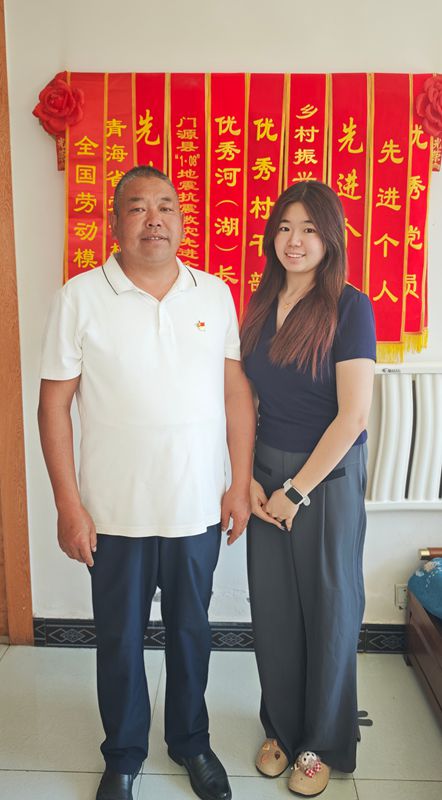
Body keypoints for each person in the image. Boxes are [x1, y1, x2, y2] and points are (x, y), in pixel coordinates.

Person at [38, 165, 255, 800]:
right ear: (115, 223)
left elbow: (235, 394)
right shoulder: (80, 296)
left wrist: (239, 483)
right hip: (113, 512)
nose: (153, 219)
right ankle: (125, 754)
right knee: (119, 638)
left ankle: (191, 741)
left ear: (183, 221)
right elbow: (54, 405)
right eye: (137, 208)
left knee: (192, 633)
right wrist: (68, 505)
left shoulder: (213, 294)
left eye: (166, 206)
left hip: (196, 505)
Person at [240, 180, 376, 797]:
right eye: (285, 227)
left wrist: (295, 492)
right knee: (272, 610)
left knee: (329, 610)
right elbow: (244, 398)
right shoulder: (260, 301)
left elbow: (353, 416)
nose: (294, 241)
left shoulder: (350, 306)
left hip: (325, 481)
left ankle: (319, 742)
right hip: (265, 476)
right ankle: (281, 728)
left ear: (331, 238)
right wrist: (246, 475)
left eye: (309, 229)